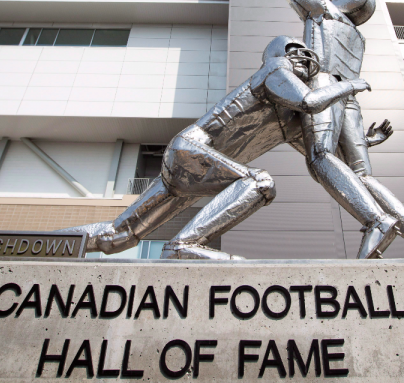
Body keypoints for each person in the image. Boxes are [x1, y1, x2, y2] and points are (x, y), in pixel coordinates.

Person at [58, 36, 370, 259]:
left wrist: (363, 143)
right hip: (191, 152)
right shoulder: (276, 70)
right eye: (297, 52)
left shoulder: (289, 118)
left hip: (197, 165)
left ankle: (32, 243)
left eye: (307, 56)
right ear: (281, 53)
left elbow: (322, 153)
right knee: (258, 182)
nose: (304, 59)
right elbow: (311, 101)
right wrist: (349, 86)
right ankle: (183, 246)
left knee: (120, 235)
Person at [275, 0, 404, 258]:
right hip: (351, 101)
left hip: (324, 85)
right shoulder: (357, 35)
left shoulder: (325, 11)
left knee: (320, 157)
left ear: (341, 0)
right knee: (363, 176)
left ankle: (377, 223)